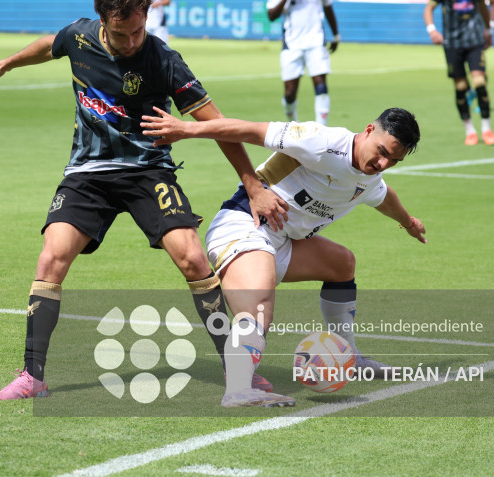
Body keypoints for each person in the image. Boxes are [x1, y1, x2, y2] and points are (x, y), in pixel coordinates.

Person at [0, 0, 288, 400]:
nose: (133, 40)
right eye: (122, 33)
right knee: (51, 259)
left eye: (139, 29)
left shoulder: (163, 59)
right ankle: (33, 376)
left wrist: (253, 185)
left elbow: (217, 124)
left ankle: (238, 370)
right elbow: (49, 45)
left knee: (193, 258)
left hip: (148, 172)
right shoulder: (79, 37)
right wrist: (8, 62)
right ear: (103, 22)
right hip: (88, 174)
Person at [142, 107, 426, 407]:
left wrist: (408, 222)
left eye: (394, 161)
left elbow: (384, 196)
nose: (382, 163)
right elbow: (248, 128)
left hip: (281, 241)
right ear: (369, 130)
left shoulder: (371, 174)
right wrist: (185, 129)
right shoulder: (322, 142)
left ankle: (350, 358)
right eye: (382, 152)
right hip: (242, 226)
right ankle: (238, 389)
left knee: (342, 263)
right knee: (259, 304)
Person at [424, 0, 494, 146]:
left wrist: (489, 30)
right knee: (461, 87)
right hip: (453, 43)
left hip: (474, 41)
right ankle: (469, 130)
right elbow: (429, 9)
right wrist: (432, 30)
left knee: (480, 83)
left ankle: (487, 129)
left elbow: (486, 5)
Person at [267, 0, 340, 126]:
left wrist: (336, 34)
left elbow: (328, 7)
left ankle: (321, 130)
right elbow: (271, 15)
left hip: (316, 40)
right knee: (290, 93)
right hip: (292, 43)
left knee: (321, 86)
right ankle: (293, 125)